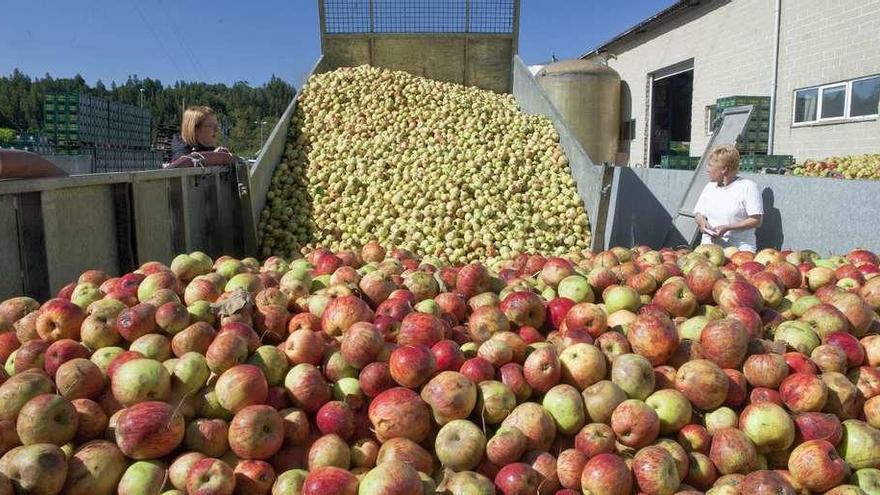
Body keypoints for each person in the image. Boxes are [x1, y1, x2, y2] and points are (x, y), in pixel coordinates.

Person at [693, 145, 764, 252]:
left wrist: (728, 227)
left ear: (724, 169)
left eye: (710, 165)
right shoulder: (709, 187)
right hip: (709, 248)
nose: (707, 170)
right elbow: (698, 214)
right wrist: (702, 223)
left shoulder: (748, 187)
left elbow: (756, 220)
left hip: (738, 250)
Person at [167, 106, 237, 168]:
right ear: (195, 129)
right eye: (210, 126)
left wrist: (222, 157)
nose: (216, 129)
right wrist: (213, 157)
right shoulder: (181, 152)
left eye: (216, 125)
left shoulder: (207, 148)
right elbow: (185, 163)